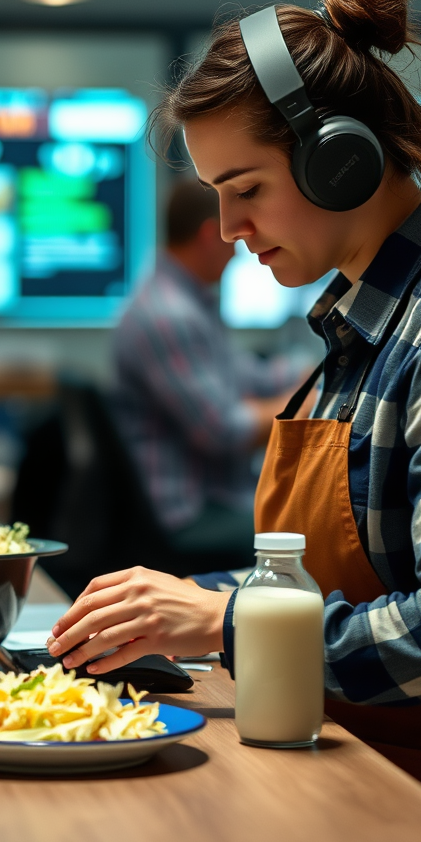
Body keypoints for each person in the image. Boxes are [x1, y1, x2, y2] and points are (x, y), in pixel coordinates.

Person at [46, 0, 421, 842]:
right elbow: (350, 587)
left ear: (342, 158)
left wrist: (225, 622)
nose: (227, 229)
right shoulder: (372, 320)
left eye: (245, 189)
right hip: (366, 788)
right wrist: (177, 602)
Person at [113, 179, 298, 565]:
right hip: (190, 514)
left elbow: (245, 376)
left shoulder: (188, 299)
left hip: (212, 499)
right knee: (312, 531)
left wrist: (319, 370)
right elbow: (222, 430)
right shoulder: (168, 315)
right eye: (235, 238)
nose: (240, 250)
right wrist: (303, 402)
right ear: (211, 235)